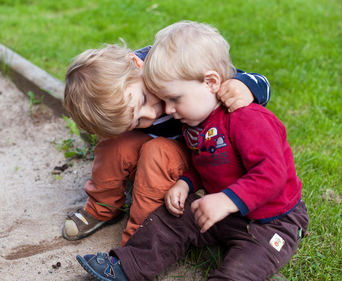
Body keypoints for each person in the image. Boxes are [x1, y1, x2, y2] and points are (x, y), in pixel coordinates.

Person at [76, 21, 309, 281]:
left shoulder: (243, 116)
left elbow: (272, 175)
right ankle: (129, 265)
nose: (164, 110)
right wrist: (186, 183)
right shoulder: (195, 123)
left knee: (241, 268)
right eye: (164, 100)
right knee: (170, 220)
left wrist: (227, 200)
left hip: (271, 219)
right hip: (219, 210)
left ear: (211, 83)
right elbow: (209, 162)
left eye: (173, 99)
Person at [63, 39, 271, 247]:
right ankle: (103, 208)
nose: (151, 114)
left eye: (143, 99)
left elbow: (258, 82)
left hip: (202, 151)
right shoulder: (124, 95)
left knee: (157, 152)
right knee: (115, 146)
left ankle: (142, 239)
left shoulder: (174, 64)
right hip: (155, 149)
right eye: (136, 121)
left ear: (137, 64)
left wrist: (244, 86)